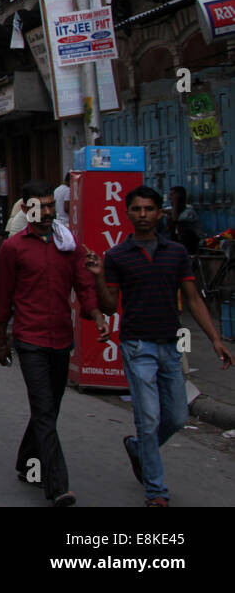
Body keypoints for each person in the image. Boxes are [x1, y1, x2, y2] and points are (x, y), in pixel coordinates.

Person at [89, 186, 233, 507]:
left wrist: (215, 340)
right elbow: (110, 307)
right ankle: (156, 492)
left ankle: (140, 448)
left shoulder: (176, 253)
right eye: (137, 209)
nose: (143, 215)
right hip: (137, 345)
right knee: (149, 418)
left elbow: (194, 299)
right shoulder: (116, 256)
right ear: (128, 213)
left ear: (159, 213)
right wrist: (99, 277)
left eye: (149, 209)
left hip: (171, 344)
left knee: (178, 417)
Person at [0, 180, 110, 508]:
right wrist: (1, 341)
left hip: (61, 338)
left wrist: (98, 316)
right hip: (29, 340)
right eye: (38, 206)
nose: (45, 212)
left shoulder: (69, 246)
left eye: (49, 205)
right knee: (44, 410)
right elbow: (3, 298)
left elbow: (84, 288)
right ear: (25, 209)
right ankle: (57, 486)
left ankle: (25, 460)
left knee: (49, 410)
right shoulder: (13, 248)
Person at [167, 186, 203, 255]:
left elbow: (175, 220)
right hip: (181, 243)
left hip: (195, 243)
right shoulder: (174, 210)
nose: (169, 198)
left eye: (172, 195)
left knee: (181, 226)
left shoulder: (189, 212)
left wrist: (175, 203)